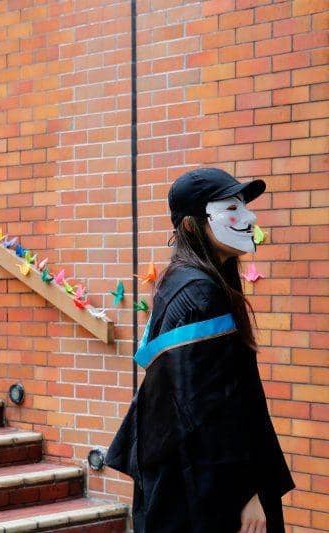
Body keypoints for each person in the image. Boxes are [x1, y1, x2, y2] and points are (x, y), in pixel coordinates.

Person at [106, 168, 295, 533]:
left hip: (196, 482)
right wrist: (246, 493)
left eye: (244, 206)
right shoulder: (198, 295)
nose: (249, 217)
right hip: (206, 492)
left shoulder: (190, 281)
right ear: (194, 224)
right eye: (231, 208)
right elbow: (206, 413)